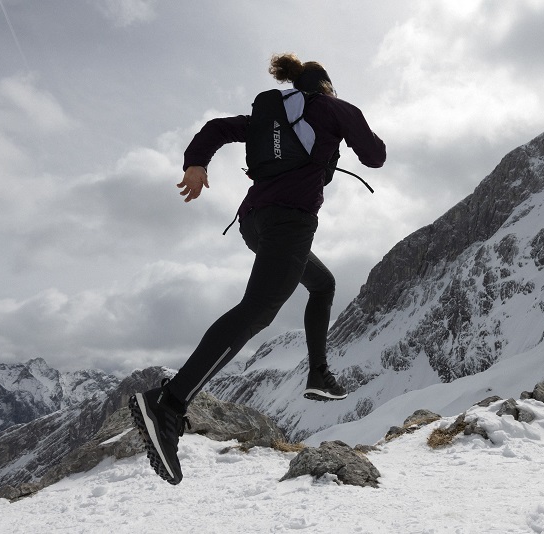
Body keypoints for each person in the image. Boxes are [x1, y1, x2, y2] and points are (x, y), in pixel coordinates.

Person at [130, 53, 386, 485]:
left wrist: (196, 163)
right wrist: (344, 133)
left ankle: (319, 373)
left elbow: (215, 129)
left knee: (322, 284)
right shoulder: (334, 107)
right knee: (259, 309)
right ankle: (168, 403)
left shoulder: (268, 114)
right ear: (325, 85)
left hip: (254, 223)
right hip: (291, 220)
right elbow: (375, 156)